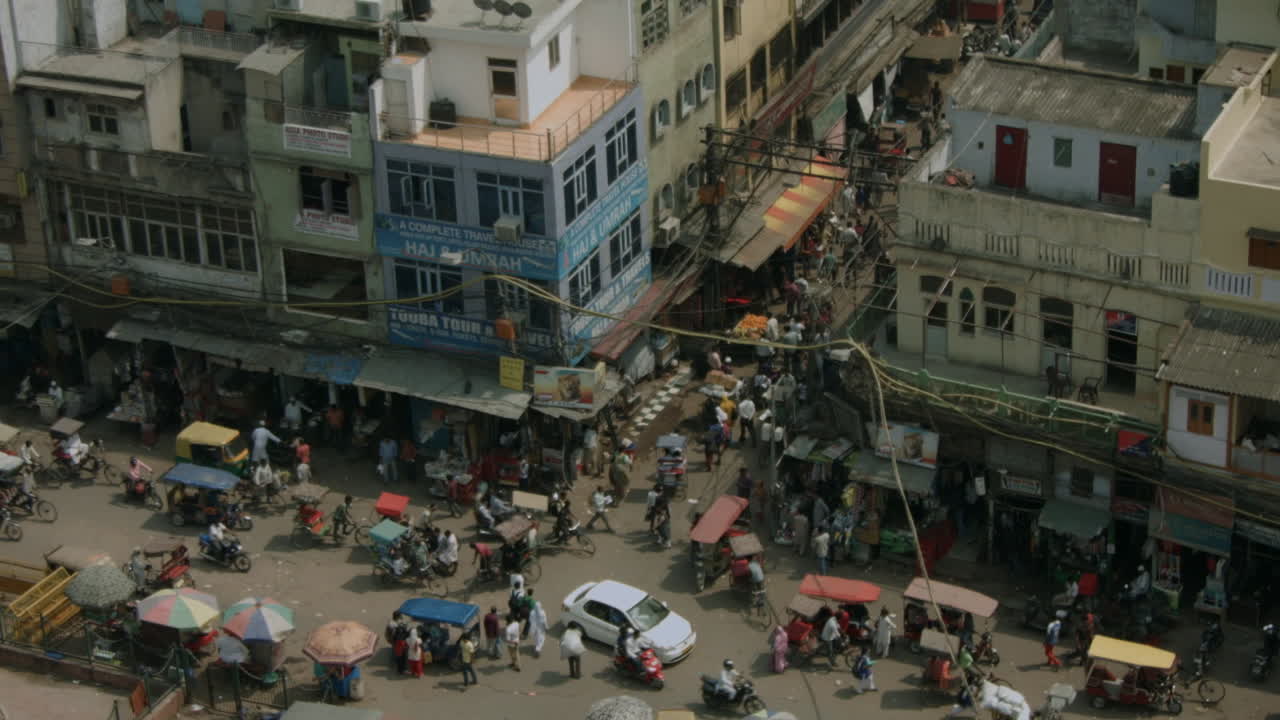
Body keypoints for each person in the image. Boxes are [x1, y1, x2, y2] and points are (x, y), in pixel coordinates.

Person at [528, 590, 548, 657]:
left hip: (534, 628)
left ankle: (537, 647)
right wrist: (546, 627)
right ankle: (538, 649)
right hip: (541, 628)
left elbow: (530, 620)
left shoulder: (532, 612)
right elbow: (544, 621)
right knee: (541, 638)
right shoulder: (542, 613)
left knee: (536, 638)